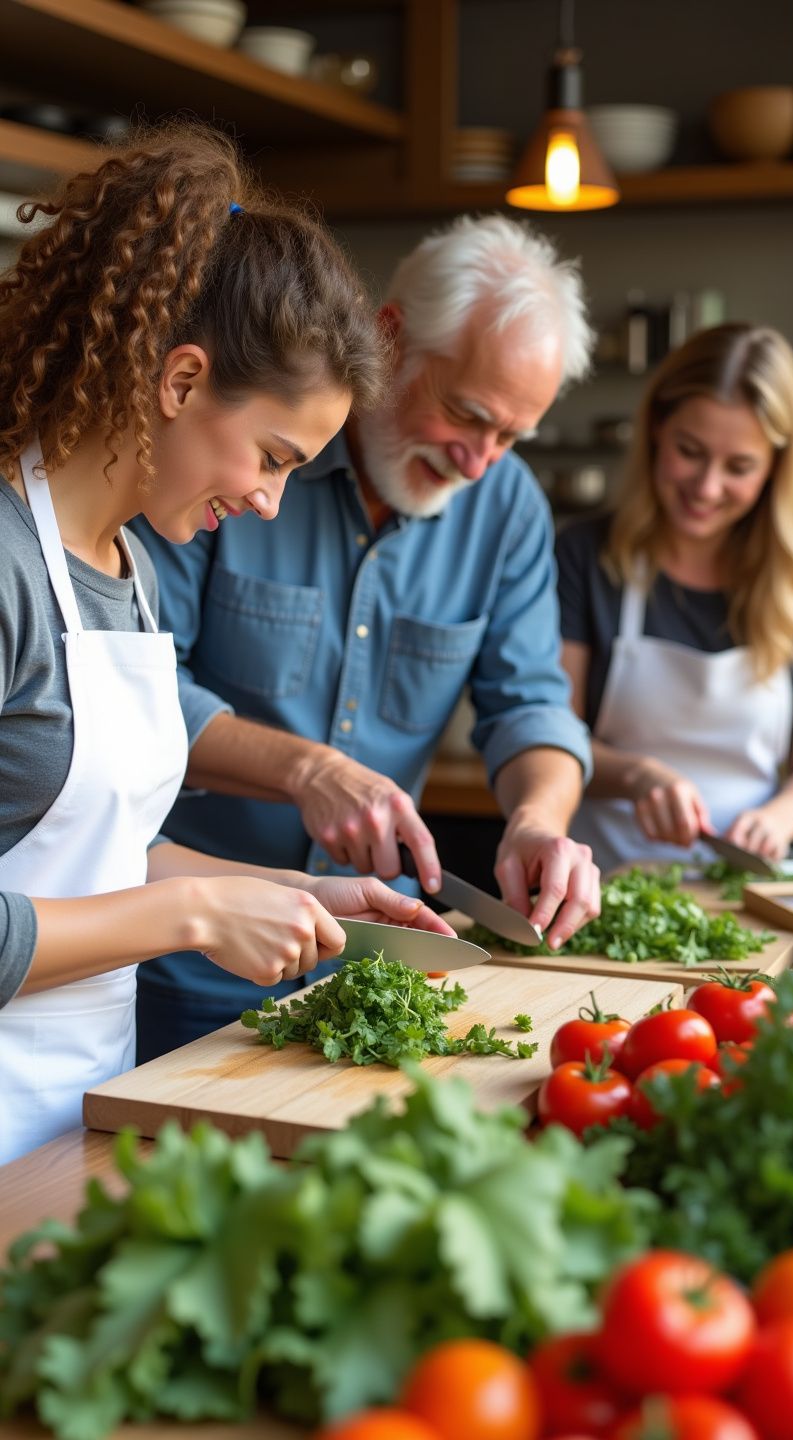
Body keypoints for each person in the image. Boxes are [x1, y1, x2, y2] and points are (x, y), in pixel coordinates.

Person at [0, 123, 453, 1165]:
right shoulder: (9, 567)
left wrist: (294, 896)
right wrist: (199, 916)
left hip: (76, 1122)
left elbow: (92, 856)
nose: (266, 499)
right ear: (180, 379)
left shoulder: (134, 570)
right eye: (273, 456)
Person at [132, 213, 602, 1062]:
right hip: (181, 951)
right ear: (390, 337)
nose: (480, 462)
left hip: (366, 958)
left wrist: (538, 818)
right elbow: (140, 692)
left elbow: (531, 702)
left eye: (511, 437)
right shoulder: (233, 465)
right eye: (467, 414)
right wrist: (307, 771)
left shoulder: (506, 508)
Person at [557, 322, 793, 873]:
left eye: (739, 467)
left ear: (775, 468)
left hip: (747, 888)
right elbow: (551, 731)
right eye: (690, 451)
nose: (706, 487)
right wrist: (637, 776)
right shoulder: (583, 556)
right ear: (655, 431)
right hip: (602, 881)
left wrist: (781, 818)